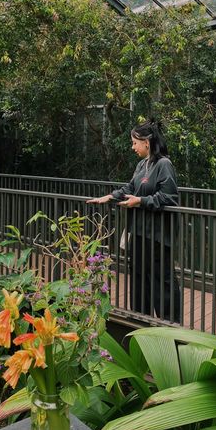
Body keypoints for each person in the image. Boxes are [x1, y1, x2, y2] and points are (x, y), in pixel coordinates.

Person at [87, 121, 180, 321]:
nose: (132, 147)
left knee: (161, 281)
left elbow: (169, 197)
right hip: (137, 232)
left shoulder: (163, 164)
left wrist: (142, 201)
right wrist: (110, 197)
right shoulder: (141, 165)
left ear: (146, 142)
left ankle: (169, 324)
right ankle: (139, 319)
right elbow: (130, 188)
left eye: (135, 143)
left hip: (156, 235)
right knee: (138, 278)